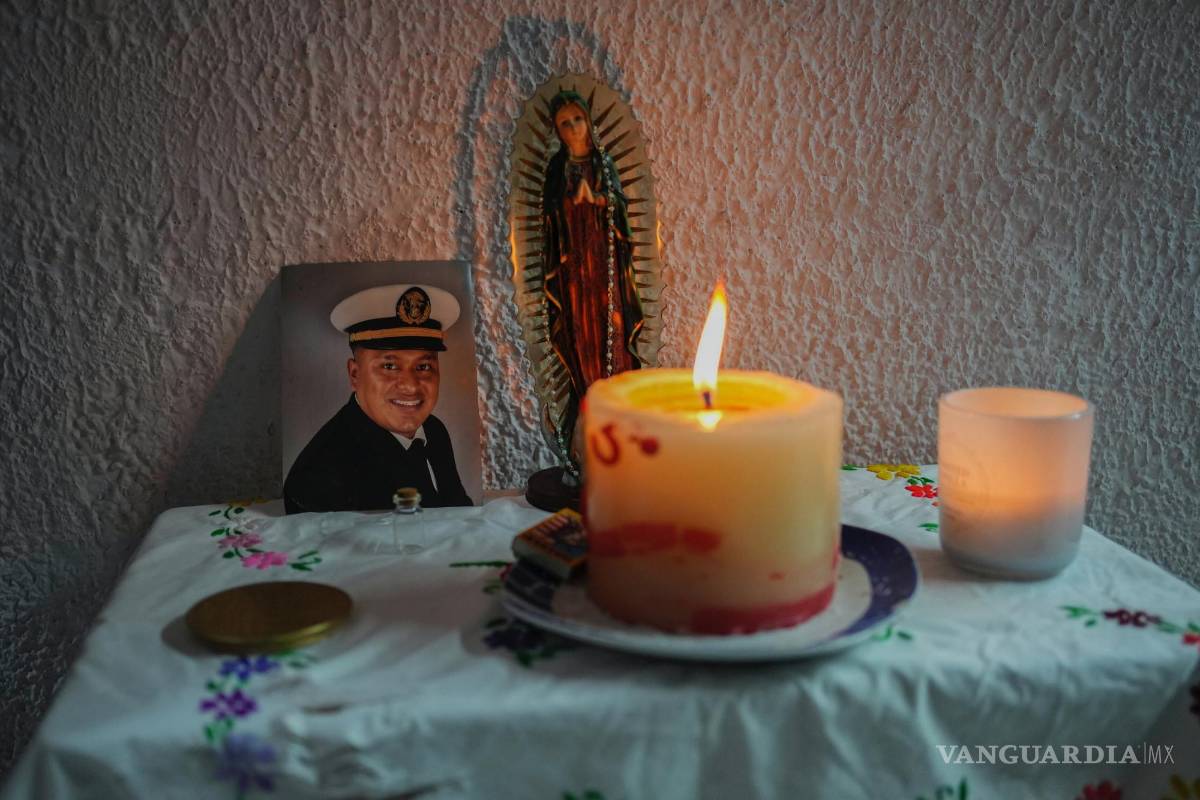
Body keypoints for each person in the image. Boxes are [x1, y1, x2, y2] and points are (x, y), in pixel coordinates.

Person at [283, 284, 473, 513]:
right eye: (389, 366)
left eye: (423, 366)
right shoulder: (317, 477)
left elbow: (461, 513)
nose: (410, 386)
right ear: (355, 375)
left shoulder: (433, 431)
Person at [542, 90, 645, 460]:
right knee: (581, 340)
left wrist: (598, 200)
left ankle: (619, 419)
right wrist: (571, 202)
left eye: (577, 120)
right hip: (574, 278)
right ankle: (588, 420)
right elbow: (551, 223)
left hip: (605, 273)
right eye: (564, 124)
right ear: (557, 131)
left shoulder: (604, 164)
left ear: (588, 121)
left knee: (612, 333)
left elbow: (620, 213)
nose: (573, 129)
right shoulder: (557, 170)